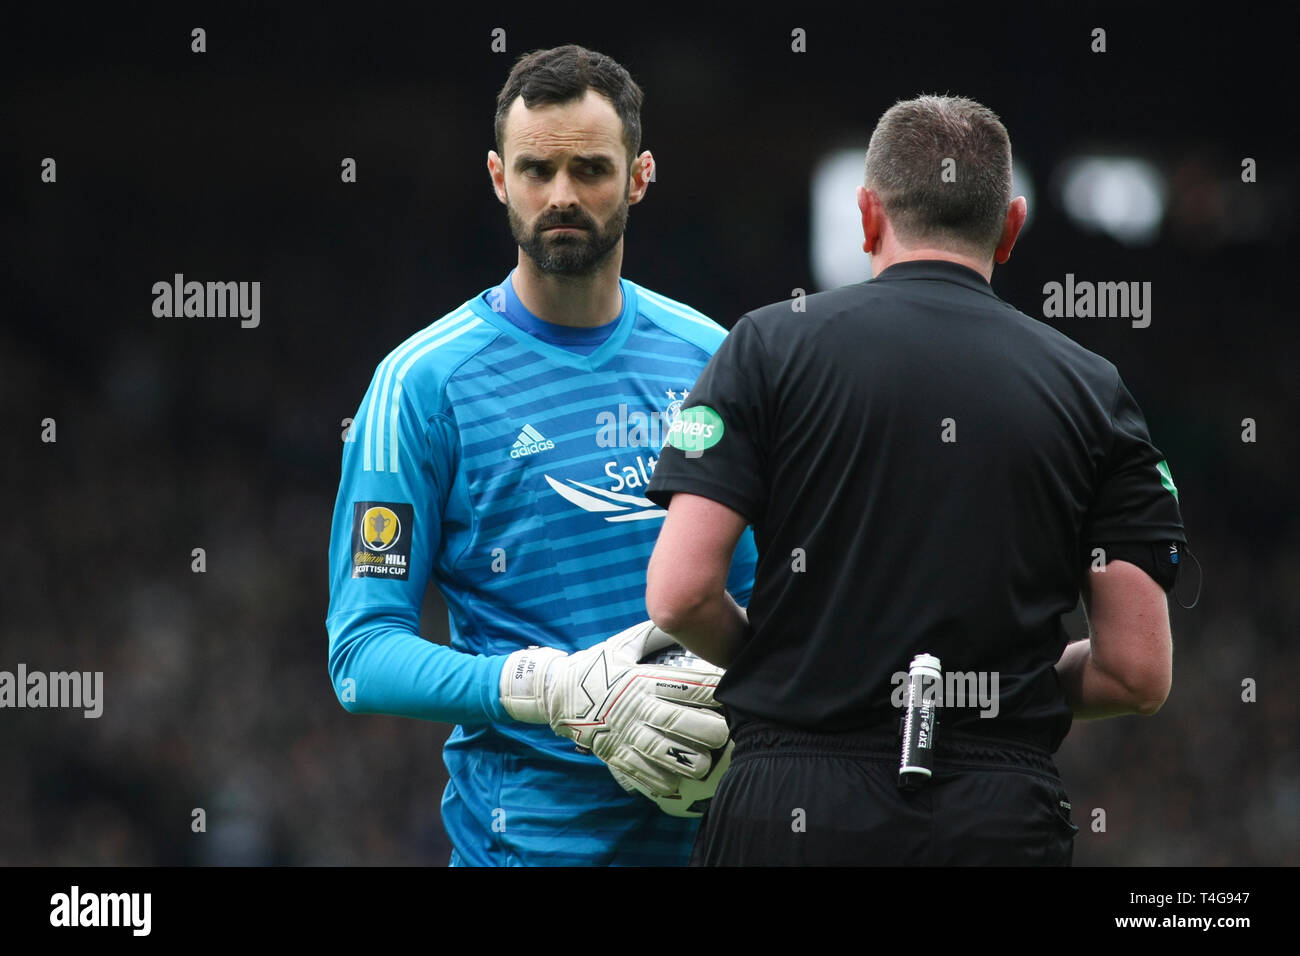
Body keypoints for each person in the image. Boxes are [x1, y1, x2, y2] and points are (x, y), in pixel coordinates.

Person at [643, 94, 1186, 866]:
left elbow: (680, 594)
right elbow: (1136, 673)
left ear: (866, 215)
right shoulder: (1093, 389)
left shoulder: (767, 345)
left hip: (792, 803)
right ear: (1011, 228)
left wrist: (800, 666)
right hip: (995, 816)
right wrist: (996, 690)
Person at [326, 44, 757, 866]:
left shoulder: (713, 357)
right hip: (524, 849)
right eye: (536, 170)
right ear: (498, 177)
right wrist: (551, 691)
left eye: (592, 168)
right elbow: (362, 655)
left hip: (714, 840)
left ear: (639, 176)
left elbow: (756, 600)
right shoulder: (421, 385)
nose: (561, 195)